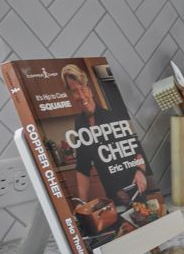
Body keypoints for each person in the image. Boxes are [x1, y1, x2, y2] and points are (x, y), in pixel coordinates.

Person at [62, 63, 148, 205]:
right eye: (75, 91)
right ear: (71, 95)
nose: (82, 96)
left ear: (90, 90)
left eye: (83, 89)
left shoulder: (112, 116)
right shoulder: (80, 123)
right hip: (112, 194)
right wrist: (81, 203)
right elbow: (83, 166)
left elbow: (137, 151)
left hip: (134, 187)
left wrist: (140, 171)